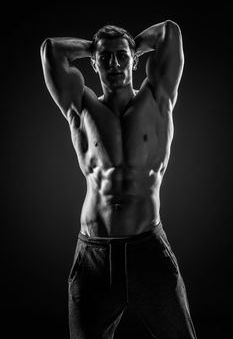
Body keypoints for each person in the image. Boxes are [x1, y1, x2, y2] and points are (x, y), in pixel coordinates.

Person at [40, 20, 197, 339]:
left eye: (122, 56)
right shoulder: (81, 106)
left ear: (135, 60)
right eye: (105, 57)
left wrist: (129, 46)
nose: (114, 63)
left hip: (147, 249)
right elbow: (50, 50)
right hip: (94, 255)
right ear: (94, 63)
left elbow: (169, 31)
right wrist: (95, 47)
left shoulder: (158, 98)